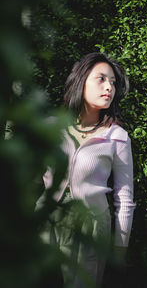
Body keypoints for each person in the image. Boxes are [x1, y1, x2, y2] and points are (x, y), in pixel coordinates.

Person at [36, 52, 136, 288]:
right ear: (80, 81)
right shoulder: (50, 127)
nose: (109, 87)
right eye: (101, 79)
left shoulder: (117, 137)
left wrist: (119, 249)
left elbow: (124, 196)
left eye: (113, 82)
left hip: (89, 228)